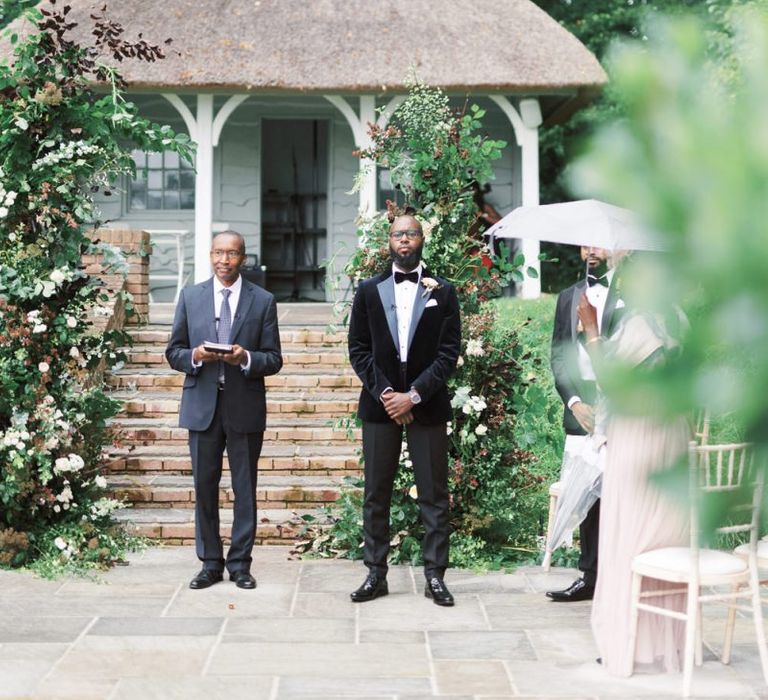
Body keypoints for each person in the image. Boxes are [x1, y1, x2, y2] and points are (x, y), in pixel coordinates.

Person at [578, 259, 690, 676]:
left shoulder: (643, 324)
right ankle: (662, 644)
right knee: (662, 533)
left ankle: (625, 644)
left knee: (630, 535)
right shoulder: (678, 319)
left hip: (640, 436)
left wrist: (591, 329)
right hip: (673, 435)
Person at [347, 213, 461, 606]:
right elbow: (359, 350)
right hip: (380, 408)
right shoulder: (367, 290)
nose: (405, 240)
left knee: (434, 494)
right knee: (376, 493)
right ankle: (375, 574)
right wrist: (388, 396)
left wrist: (413, 396)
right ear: (389, 241)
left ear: (422, 238)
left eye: (412, 233)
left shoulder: (443, 292)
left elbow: (448, 354)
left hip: (426, 407)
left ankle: (435, 576)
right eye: (398, 234)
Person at [166, 230, 283, 590]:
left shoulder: (262, 300)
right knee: (204, 486)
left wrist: (244, 357)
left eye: (231, 254)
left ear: (243, 258)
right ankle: (210, 563)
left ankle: (241, 564)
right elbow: (174, 352)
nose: (224, 260)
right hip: (202, 406)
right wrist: (196, 357)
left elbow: (274, 358)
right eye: (218, 253)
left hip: (244, 406)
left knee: (245, 488)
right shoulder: (191, 296)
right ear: (210, 255)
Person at [546, 246, 617, 602]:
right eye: (585, 243)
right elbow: (558, 355)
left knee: (617, 494)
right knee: (586, 498)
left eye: (598, 243)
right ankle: (589, 577)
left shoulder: (631, 298)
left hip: (619, 407)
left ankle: (617, 575)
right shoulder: (567, 296)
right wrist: (573, 402)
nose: (591, 250)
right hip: (581, 410)